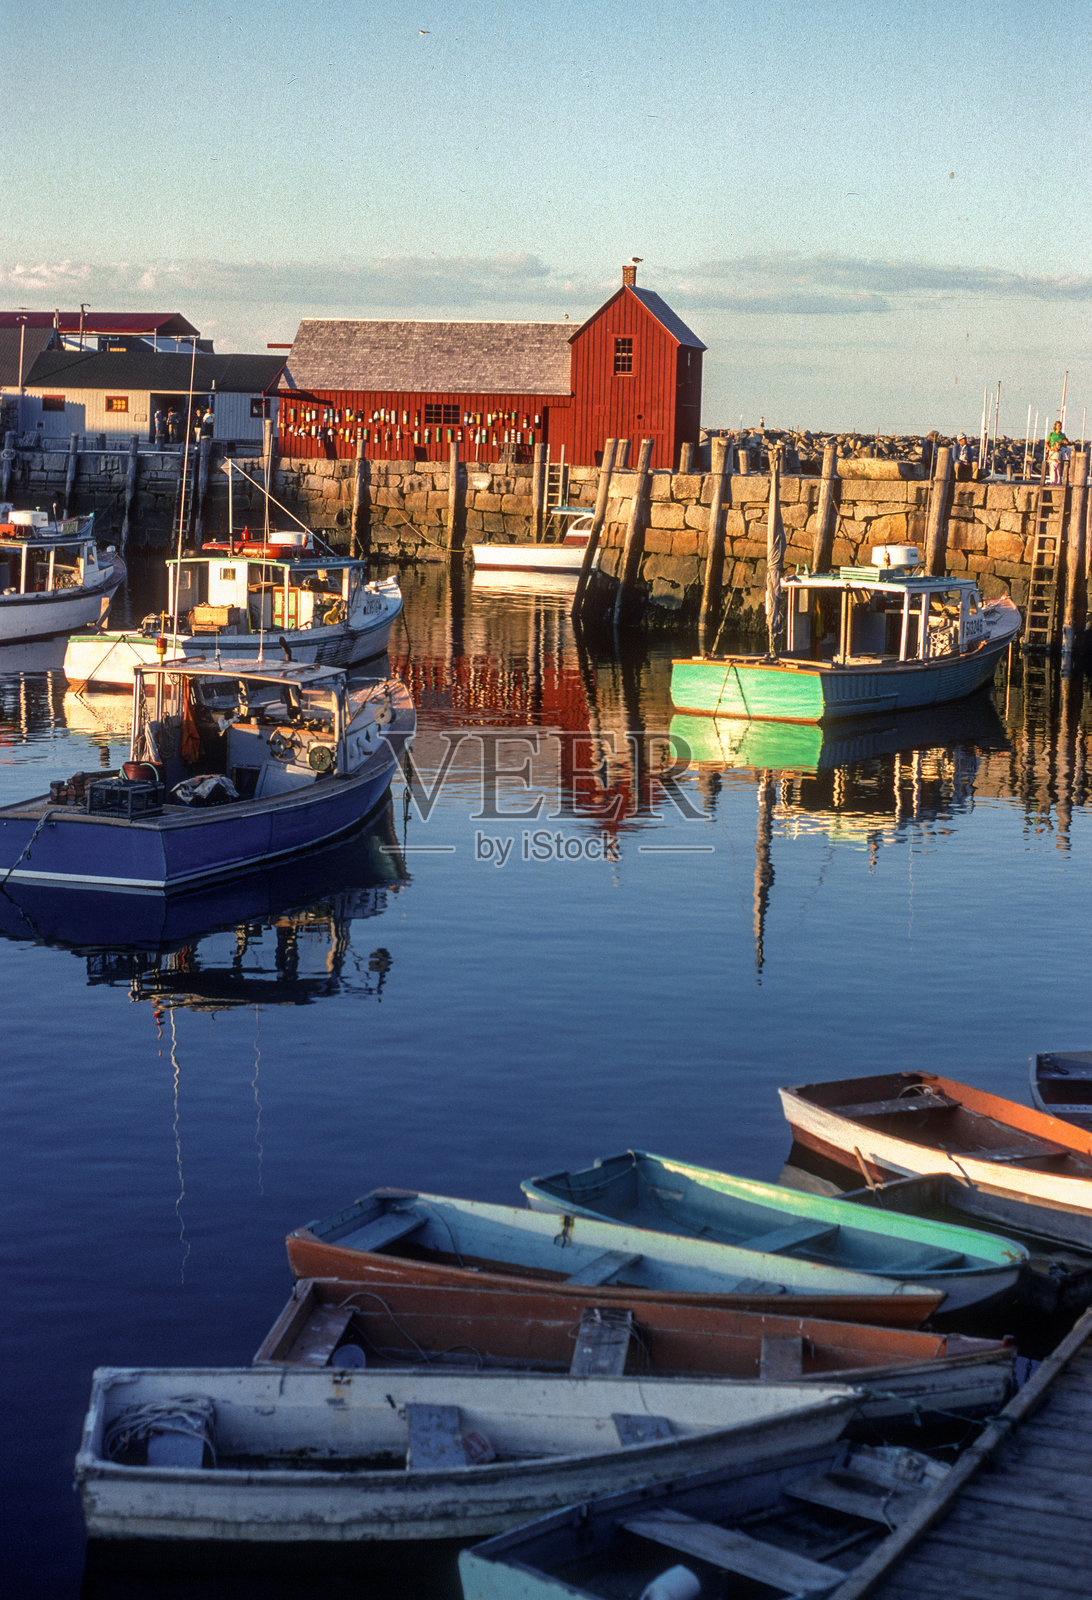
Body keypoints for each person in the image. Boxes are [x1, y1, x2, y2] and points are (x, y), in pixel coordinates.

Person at [1047, 420, 1070, 485]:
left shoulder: (1062, 435)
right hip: (1053, 450)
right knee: (1052, 468)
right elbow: (1046, 443)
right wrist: (1050, 449)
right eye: (1058, 426)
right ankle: (1052, 482)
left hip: (1059, 451)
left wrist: (1065, 442)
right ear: (1055, 426)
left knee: (1058, 469)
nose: (1060, 427)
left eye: (1060, 426)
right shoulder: (1051, 434)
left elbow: (1065, 442)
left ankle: (1058, 482)